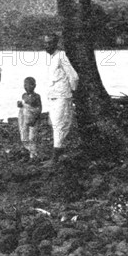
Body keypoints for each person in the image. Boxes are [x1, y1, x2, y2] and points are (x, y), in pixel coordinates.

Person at [44, 33, 79, 165]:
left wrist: (72, 91)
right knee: (55, 124)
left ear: (55, 43)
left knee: (59, 126)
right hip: (53, 97)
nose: (47, 45)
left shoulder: (61, 56)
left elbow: (73, 76)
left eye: (49, 43)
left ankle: (54, 159)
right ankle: (59, 153)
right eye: (45, 43)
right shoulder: (53, 58)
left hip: (62, 97)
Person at [17, 77, 42, 161]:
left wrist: (34, 119)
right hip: (24, 118)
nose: (26, 87)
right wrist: (20, 105)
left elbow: (39, 108)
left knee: (32, 137)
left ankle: (33, 155)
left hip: (33, 118)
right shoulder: (23, 95)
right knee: (24, 135)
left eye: (30, 85)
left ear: (34, 86)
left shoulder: (37, 96)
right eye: (25, 85)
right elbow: (23, 107)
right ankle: (27, 152)